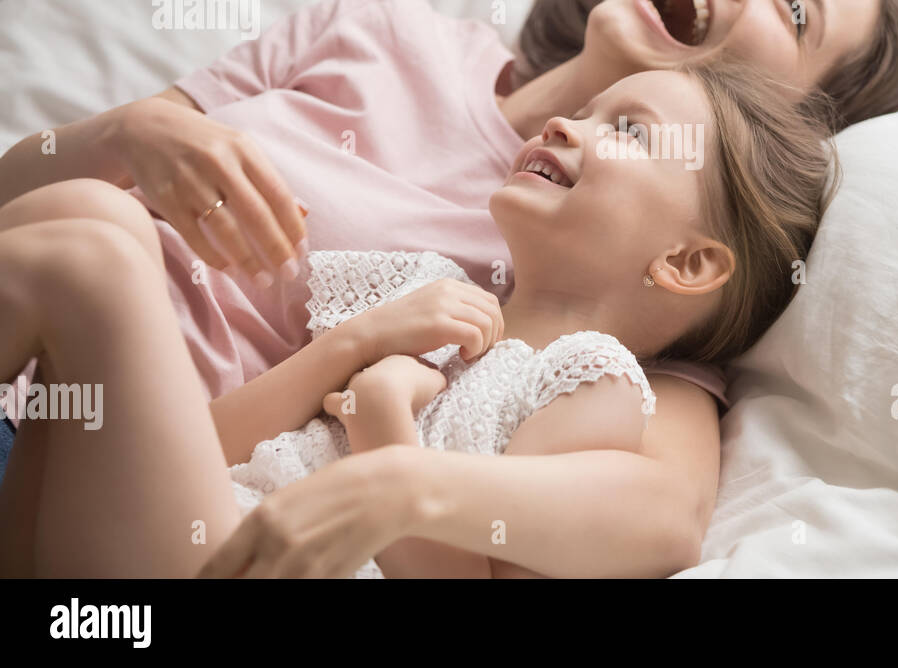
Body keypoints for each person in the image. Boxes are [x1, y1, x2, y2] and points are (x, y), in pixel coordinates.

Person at [0, 0, 898, 577]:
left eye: (793, 7)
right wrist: (118, 134)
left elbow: (663, 514)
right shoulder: (379, 28)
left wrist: (396, 476)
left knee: (96, 239)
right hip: (31, 367)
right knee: (93, 214)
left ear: (783, 121)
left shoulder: (607, 280)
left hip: (105, 486)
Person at [0, 63, 837, 577]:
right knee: (91, 213)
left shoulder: (590, 384)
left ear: (685, 264)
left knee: (95, 266)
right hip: (153, 549)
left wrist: (383, 418)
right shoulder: (419, 294)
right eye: (586, 110)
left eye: (624, 130)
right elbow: (207, 443)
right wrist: (353, 347)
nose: (566, 124)